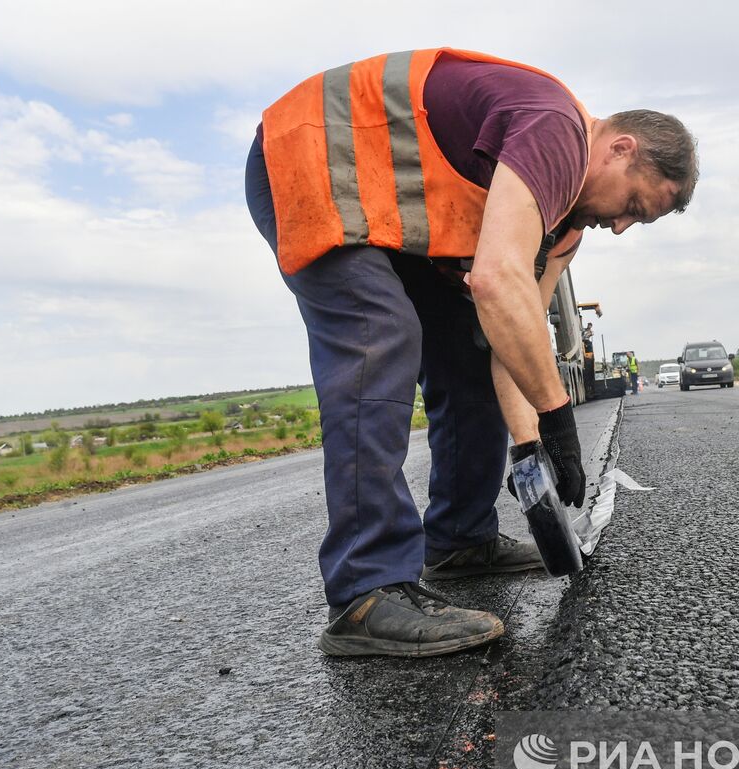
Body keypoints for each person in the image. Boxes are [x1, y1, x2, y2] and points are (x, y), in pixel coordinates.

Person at [246, 48, 697, 657]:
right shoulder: (556, 129)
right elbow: (495, 280)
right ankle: (364, 591)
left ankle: (460, 539)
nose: (620, 227)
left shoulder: (563, 229)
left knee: (467, 346)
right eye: (635, 207)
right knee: (379, 333)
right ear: (620, 149)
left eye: (637, 223)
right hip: (312, 156)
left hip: (388, 213)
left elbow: (511, 334)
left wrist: (533, 447)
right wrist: (558, 414)